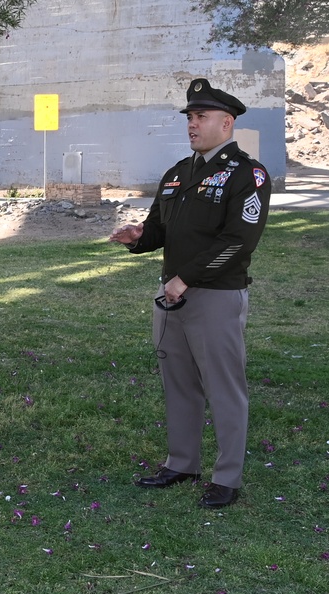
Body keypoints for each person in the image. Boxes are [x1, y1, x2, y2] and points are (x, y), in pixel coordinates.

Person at [109, 78, 271, 509]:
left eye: (202, 117)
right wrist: (137, 237)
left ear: (227, 123)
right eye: (190, 117)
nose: (193, 125)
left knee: (223, 387)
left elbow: (238, 241)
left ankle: (227, 478)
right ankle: (182, 463)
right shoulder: (179, 172)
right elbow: (158, 228)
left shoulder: (247, 175)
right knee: (178, 384)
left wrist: (186, 279)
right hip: (172, 296)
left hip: (215, 297)